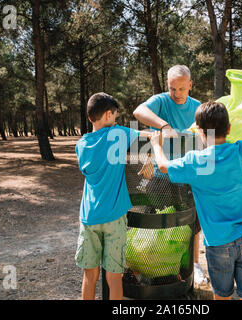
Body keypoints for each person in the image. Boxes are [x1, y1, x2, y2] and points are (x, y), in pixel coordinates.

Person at [149, 91, 242, 300]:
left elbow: (163, 166)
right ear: (229, 129)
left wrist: (157, 145)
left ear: (200, 133)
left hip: (217, 243)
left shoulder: (195, 161)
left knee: (221, 296)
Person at [133, 65, 209, 285]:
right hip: (160, 175)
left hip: (188, 178)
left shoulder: (197, 107)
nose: (176, 93)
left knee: (192, 224)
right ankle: (156, 267)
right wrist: (164, 125)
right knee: (159, 222)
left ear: (190, 85)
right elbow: (139, 111)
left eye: (181, 89)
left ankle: (193, 265)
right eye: (172, 88)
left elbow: (207, 139)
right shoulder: (161, 101)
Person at [75, 92, 151, 300]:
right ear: (108, 114)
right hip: (114, 218)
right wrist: (149, 155)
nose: (116, 119)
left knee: (89, 275)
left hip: (89, 218)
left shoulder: (81, 145)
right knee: (114, 277)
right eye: (115, 115)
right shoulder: (117, 134)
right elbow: (150, 136)